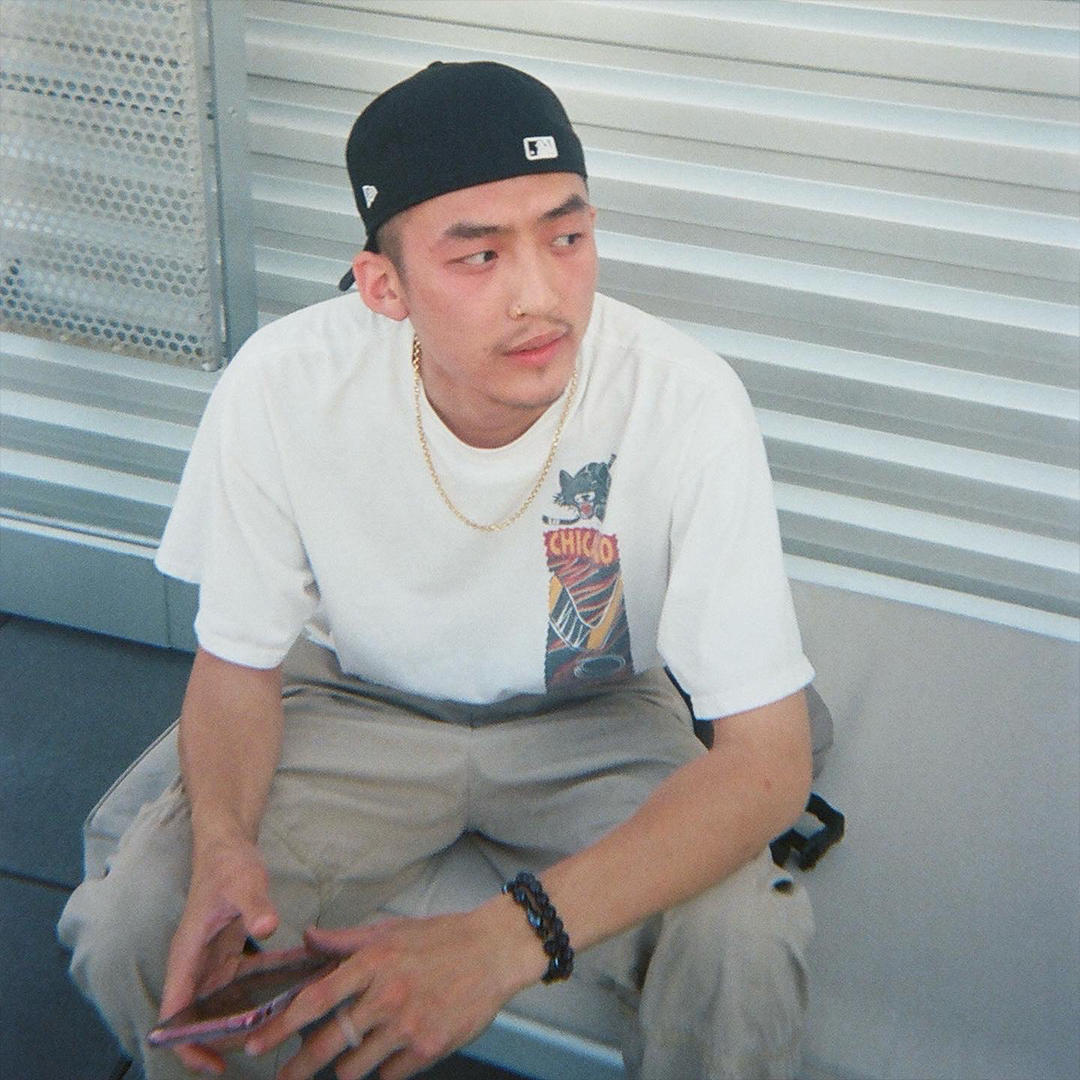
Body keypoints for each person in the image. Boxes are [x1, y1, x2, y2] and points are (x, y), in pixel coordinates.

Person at [58, 60, 816, 1080]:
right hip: (354, 701)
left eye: (566, 237)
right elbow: (237, 660)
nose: (541, 296)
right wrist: (227, 841)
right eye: (478, 256)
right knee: (140, 927)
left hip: (593, 717)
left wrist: (507, 940)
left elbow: (768, 763)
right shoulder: (285, 384)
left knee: (743, 941)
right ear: (385, 286)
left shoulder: (685, 400)